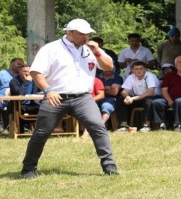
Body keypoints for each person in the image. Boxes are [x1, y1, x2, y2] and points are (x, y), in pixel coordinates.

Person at [20, 19, 118, 179]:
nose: (85, 36)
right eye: (81, 34)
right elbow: (36, 72)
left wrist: (98, 52)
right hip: (56, 96)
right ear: (69, 33)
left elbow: (108, 67)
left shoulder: (92, 49)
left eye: (88, 33)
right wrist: (48, 90)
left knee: (98, 128)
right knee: (41, 133)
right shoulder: (51, 49)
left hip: (83, 97)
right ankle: (28, 169)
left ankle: (110, 168)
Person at [149, 55, 181, 131]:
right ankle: (162, 124)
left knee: (179, 101)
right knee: (156, 102)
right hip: (170, 98)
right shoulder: (169, 75)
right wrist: (169, 101)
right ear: (175, 65)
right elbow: (164, 90)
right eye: (179, 62)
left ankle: (177, 124)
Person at [118, 61, 162, 132]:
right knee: (121, 100)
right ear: (132, 70)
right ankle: (123, 125)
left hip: (153, 97)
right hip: (138, 98)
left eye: (141, 68)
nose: (139, 71)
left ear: (145, 69)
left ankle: (146, 125)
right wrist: (127, 97)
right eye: (136, 69)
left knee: (148, 101)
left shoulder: (149, 76)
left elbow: (150, 92)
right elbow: (124, 91)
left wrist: (133, 98)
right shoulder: (131, 77)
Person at [9, 64, 41, 133]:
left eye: (29, 71)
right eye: (24, 71)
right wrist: (27, 82)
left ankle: (40, 132)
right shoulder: (14, 81)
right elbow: (19, 93)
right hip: (19, 105)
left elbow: (41, 91)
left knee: (45, 110)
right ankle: (20, 132)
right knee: (18, 112)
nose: (27, 73)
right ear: (19, 72)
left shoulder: (35, 80)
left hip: (33, 104)